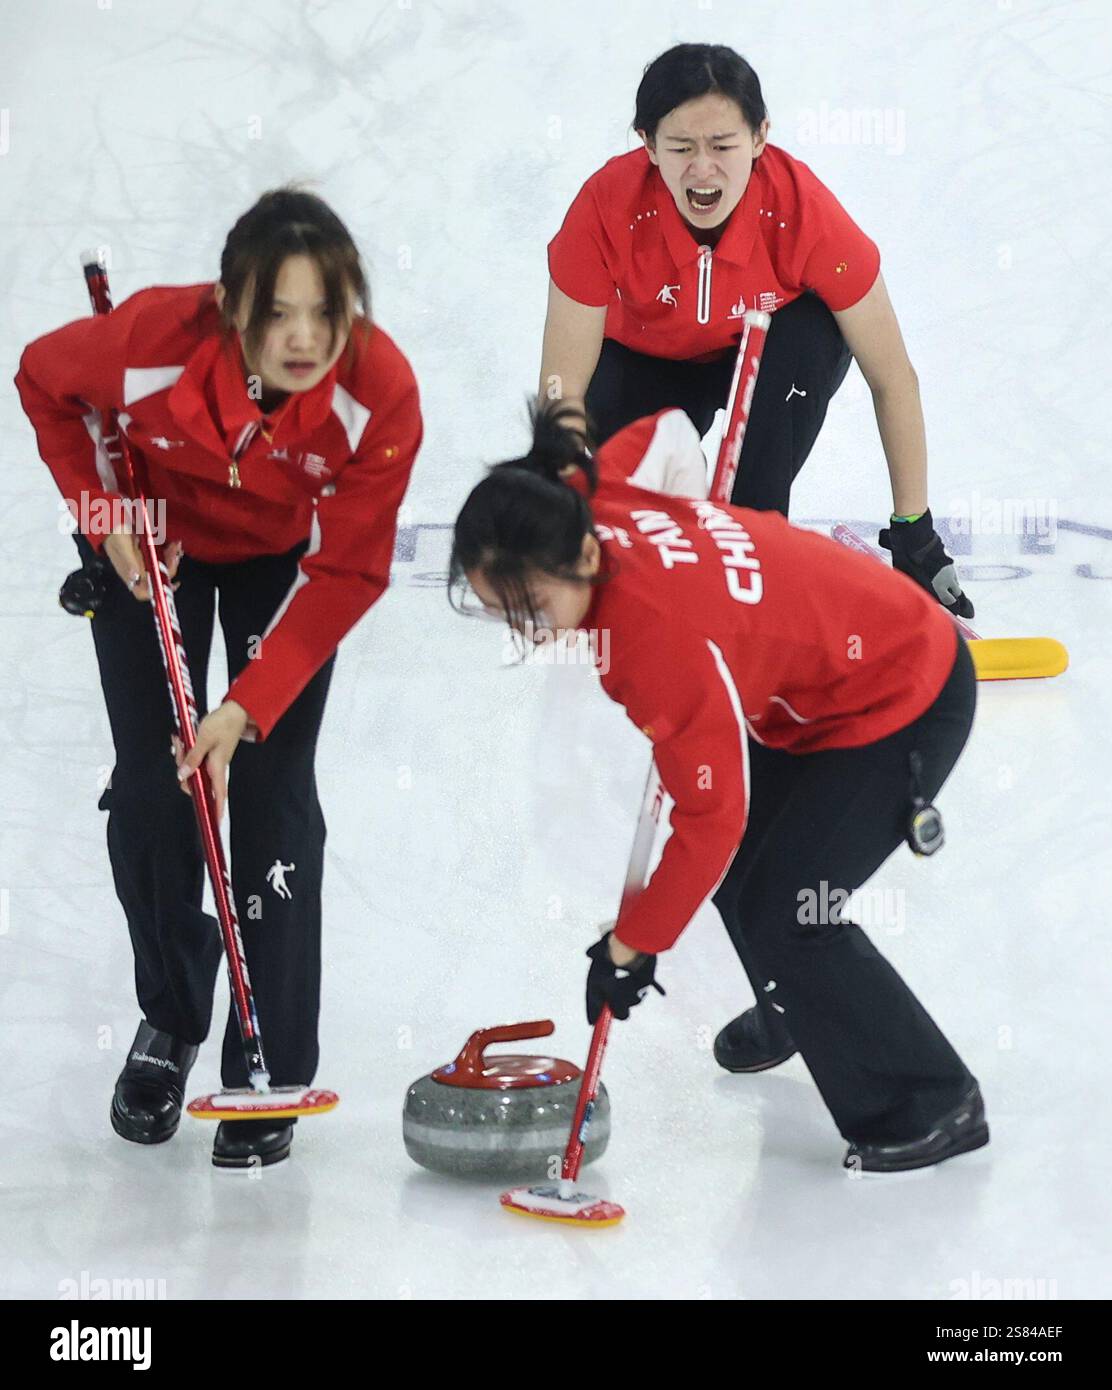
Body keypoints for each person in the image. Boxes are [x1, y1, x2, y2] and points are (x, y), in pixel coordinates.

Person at [448, 405, 988, 1173]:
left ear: (578, 559)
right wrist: (708, 540)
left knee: (791, 909)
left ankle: (932, 1097)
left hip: (905, 694)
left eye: (529, 607)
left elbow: (711, 819)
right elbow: (670, 430)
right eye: (502, 609)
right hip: (823, 693)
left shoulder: (649, 641)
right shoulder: (590, 494)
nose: (523, 631)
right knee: (751, 882)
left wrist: (632, 944)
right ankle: (794, 1005)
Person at [16, 188, 422, 1168]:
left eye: (325, 311)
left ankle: (268, 1055)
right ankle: (171, 1009)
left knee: (273, 795)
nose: (302, 337)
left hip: (282, 567)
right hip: (149, 542)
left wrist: (244, 706)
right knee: (158, 789)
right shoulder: (153, 337)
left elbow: (352, 567)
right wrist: (98, 512)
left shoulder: (381, 392)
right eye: (275, 310)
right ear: (227, 304)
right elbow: (41, 379)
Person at [539, 42, 971, 617]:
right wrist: (565, 507)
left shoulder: (803, 209)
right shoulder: (603, 209)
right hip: (643, 364)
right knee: (655, 524)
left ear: (760, 138)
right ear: (646, 144)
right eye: (680, 147)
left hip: (768, 358)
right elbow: (560, 390)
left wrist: (913, 529)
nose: (703, 169)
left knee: (751, 513)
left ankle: (754, 545)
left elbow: (893, 377)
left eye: (722, 146)